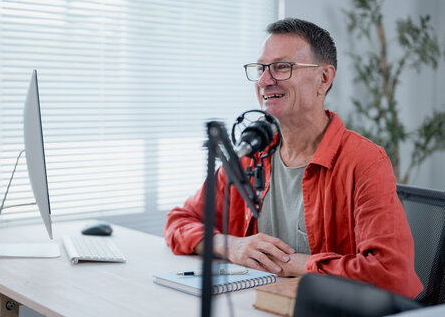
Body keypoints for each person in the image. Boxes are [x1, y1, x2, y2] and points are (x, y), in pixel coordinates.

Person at [164, 18, 423, 298]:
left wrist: (295, 263)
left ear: (323, 79)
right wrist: (231, 246)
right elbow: (179, 221)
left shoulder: (364, 162)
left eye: (281, 67)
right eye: (261, 68)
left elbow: (391, 273)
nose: (264, 80)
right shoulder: (250, 153)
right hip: (257, 305)